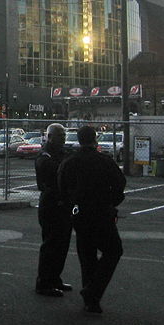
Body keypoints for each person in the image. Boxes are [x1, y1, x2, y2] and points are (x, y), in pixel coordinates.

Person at [58, 125, 126, 314]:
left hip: (80, 214)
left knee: (87, 256)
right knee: (113, 251)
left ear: (79, 140)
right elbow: (120, 183)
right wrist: (113, 202)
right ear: (94, 139)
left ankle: (91, 298)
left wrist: (70, 206)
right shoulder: (104, 161)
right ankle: (93, 292)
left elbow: (62, 187)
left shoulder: (70, 161)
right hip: (102, 213)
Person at [34, 123, 73, 297]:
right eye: (59, 136)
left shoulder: (62, 154)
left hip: (63, 203)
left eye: (64, 136)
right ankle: (44, 282)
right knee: (50, 244)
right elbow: (50, 178)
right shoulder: (45, 156)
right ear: (49, 137)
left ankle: (55, 278)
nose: (63, 139)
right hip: (50, 203)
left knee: (62, 244)